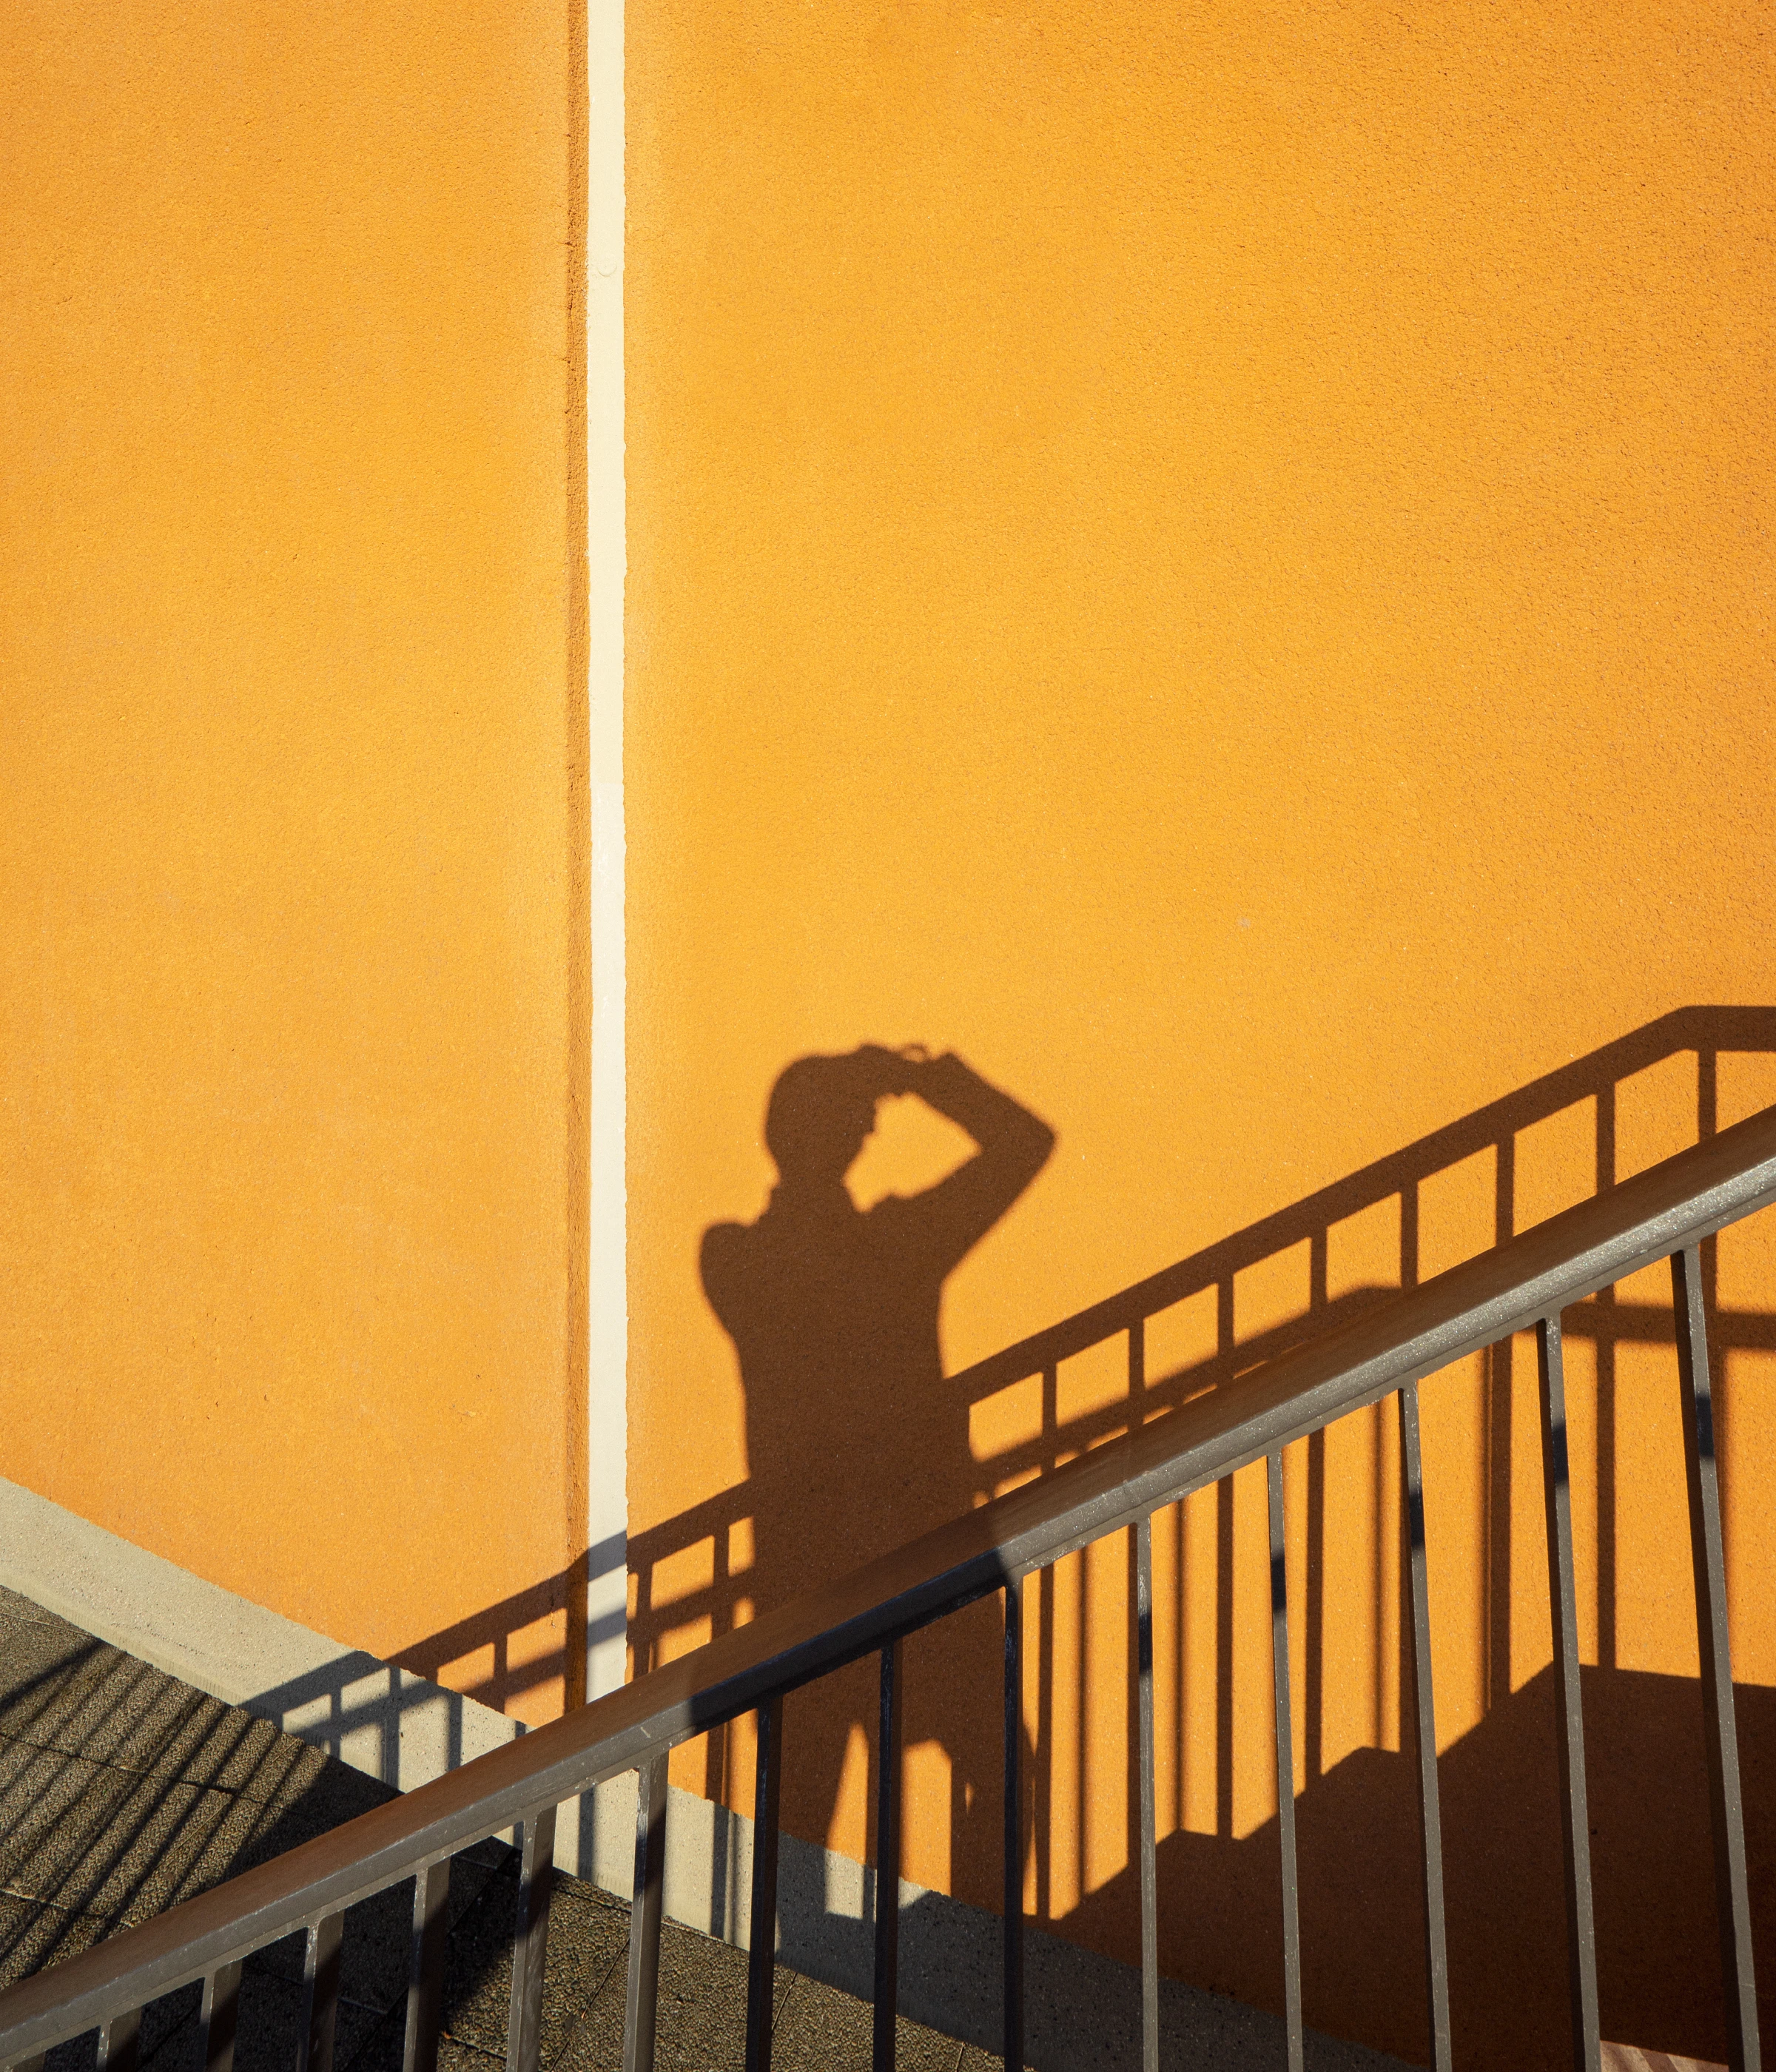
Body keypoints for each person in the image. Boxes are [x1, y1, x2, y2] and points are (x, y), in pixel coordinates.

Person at [700, 1045, 1054, 1876]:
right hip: (916, 1551)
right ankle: (978, 1952)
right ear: (854, 1137)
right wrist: (934, 1078)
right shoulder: (895, 1242)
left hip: (811, 1563)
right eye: (855, 1121)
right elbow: (1022, 1143)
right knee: (991, 1756)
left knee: (805, 1800)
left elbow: (1026, 1147)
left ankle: (772, 1987)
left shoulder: (735, 1255)